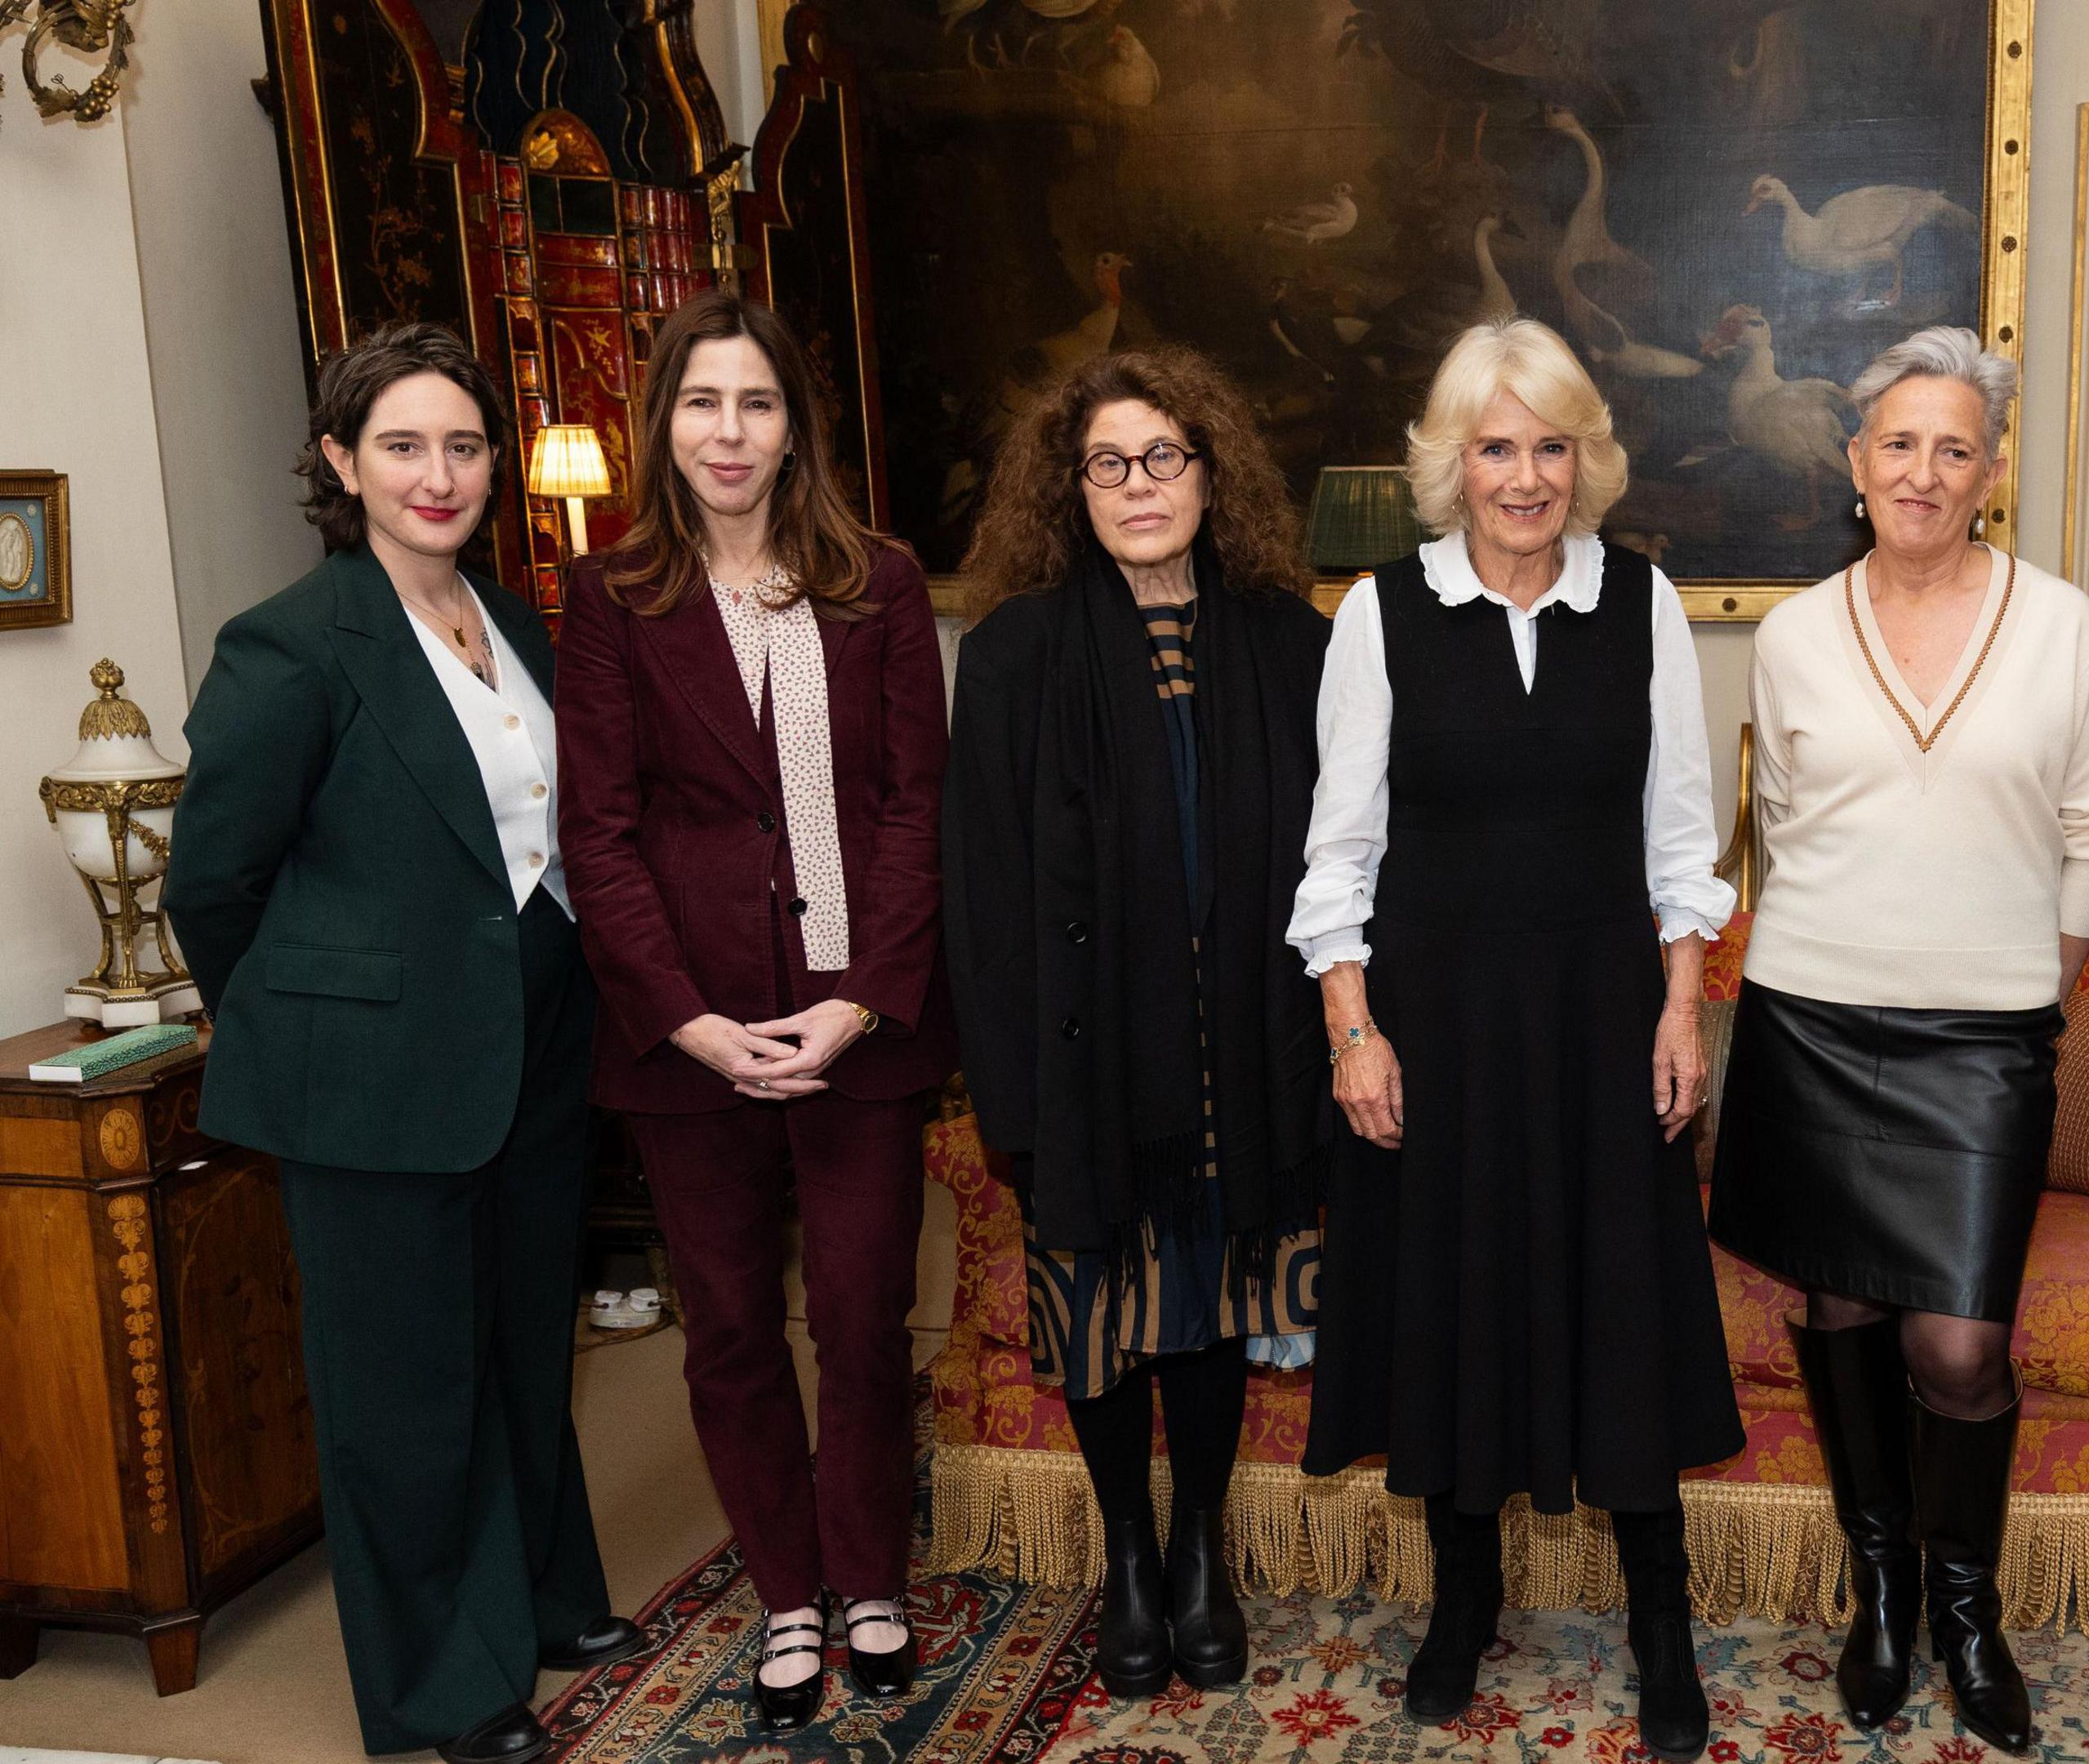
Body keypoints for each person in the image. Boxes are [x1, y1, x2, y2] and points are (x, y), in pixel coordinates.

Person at [167, 323, 644, 1764]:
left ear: (492, 463)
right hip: (369, 1082)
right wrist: (326, 1014)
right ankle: (444, 1684)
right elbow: (212, 882)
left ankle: (549, 1598)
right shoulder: (294, 645)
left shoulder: (518, 622)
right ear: (339, 462)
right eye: (401, 446)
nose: (437, 474)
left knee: (517, 1347)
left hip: (534, 1050)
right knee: (405, 1391)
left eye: (461, 445)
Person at [1290, 315, 1740, 1762]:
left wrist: (1683, 1008)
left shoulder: (1647, 605)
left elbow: (1684, 840)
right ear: (1453, 460)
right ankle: (1460, 1603)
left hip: (1607, 1017)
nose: (1527, 475)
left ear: (1585, 458)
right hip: (1440, 1026)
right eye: (1498, 446)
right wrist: (1353, 1033)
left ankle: (1659, 1617)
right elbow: (1337, 857)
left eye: (1552, 445)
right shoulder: (1380, 614)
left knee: (1625, 1297)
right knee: (1456, 1299)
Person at [1706, 327, 2089, 1757]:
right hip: (1810, 1020)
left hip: (1984, 1041)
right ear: (1853, 462)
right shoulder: (1795, 631)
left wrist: (2034, 991)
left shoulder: (2062, 623)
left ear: (1992, 472)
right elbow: (1788, 840)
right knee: (1840, 1312)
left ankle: (1966, 1603)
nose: (1924, 472)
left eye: (1956, 448)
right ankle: (1879, 1587)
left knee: (1957, 1348)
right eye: (1898, 443)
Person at [553, 292, 955, 1733]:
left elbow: (918, 807)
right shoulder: (611, 599)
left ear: (797, 428)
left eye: (757, 404)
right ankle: (786, 1592)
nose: (729, 433)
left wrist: (856, 1005)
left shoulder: (881, 584)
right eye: (701, 404)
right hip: (694, 1041)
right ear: (663, 423)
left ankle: (869, 1584)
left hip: (863, 1026)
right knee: (726, 1327)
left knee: (859, 1318)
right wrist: (687, 1021)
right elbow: (594, 832)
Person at [941, 347, 1332, 1699]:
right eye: (1106, 464)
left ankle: (1203, 1548)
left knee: (1213, 1298)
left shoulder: (1294, 643)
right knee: (1104, 1304)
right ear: (1072, 487)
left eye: (1165, 456)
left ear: (1213, 473)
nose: (1138, 485)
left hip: (1248, 1041)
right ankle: (1125, 1553)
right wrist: (1006, 1094)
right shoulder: (1011, 656)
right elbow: (980, 890)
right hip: (1081, 1052)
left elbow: (1345, 861)